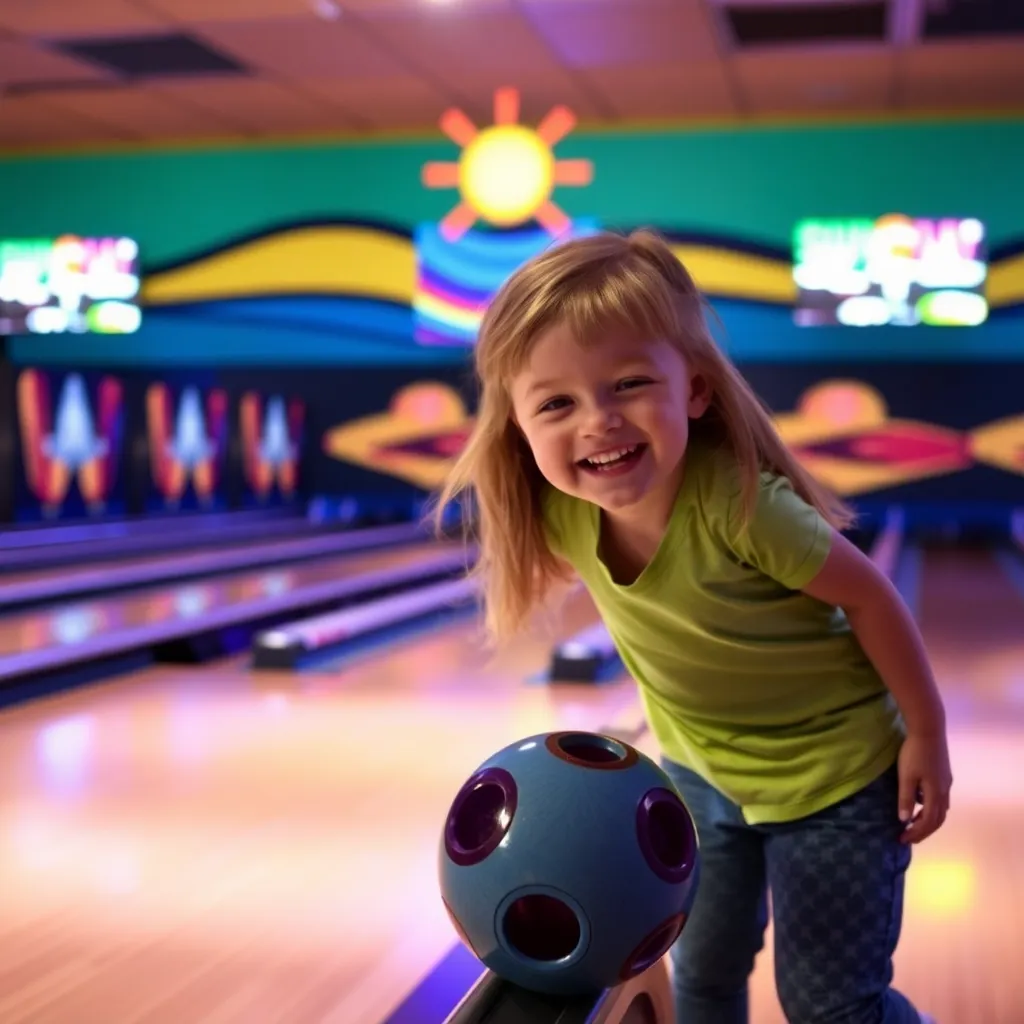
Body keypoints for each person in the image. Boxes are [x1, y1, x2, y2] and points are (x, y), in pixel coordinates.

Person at [435, 228, 951, 1024]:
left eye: (629, 384)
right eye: (557, 403)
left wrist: (925, 731)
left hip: (837, 778)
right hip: (703, 778)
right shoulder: (562, 510)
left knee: (829, 1006)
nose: (598, 421)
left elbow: (872, 597)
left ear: (697, 391)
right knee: (704, 976)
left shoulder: (743, 508)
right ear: (517, 423)